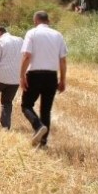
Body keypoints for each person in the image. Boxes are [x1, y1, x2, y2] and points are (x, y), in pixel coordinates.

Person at [19, 11, 68, 148]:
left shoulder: (32, 33)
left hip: (34, 75)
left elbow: (27, 56)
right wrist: (62, 80)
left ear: (35, 21)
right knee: (46, 110)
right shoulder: (58, 35)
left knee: (26, 105)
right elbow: (63, 60)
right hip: (51, 76)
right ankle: (43, 142)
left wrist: (22, 75)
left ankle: (38, 126)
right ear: (48, 21)